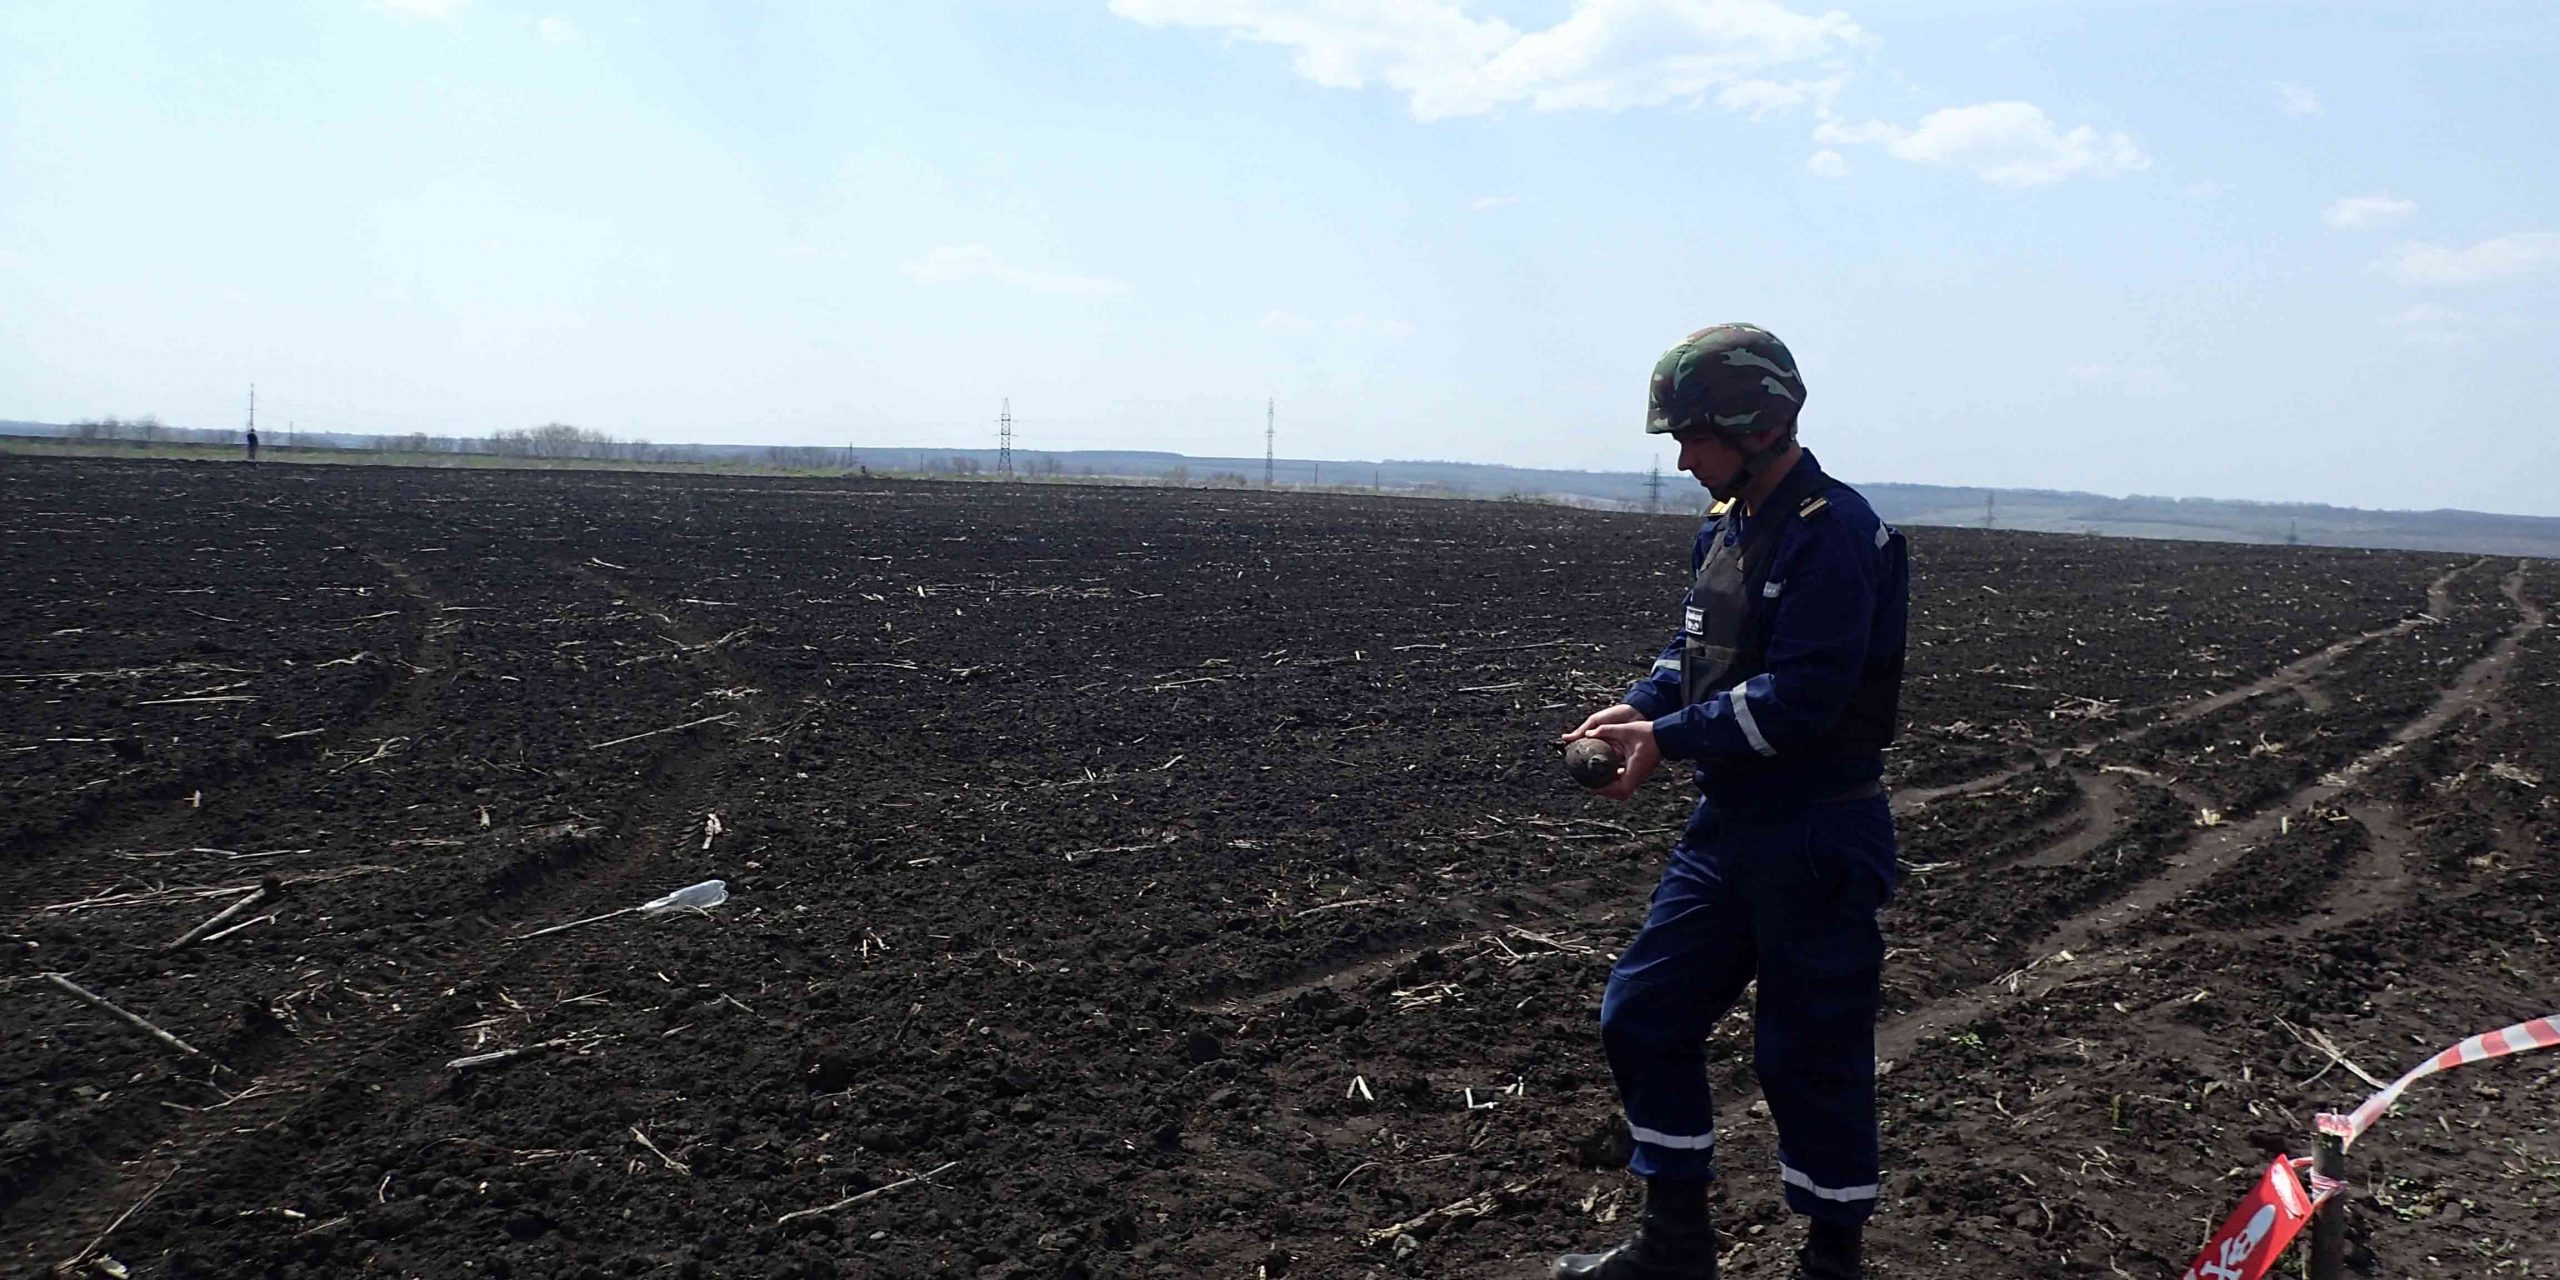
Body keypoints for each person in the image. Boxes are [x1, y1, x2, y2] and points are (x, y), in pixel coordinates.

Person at [1555, 324, 1908, 1280]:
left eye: (1696, 435)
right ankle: (1674, 1247)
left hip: (1818, 832)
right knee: (1642, 1013)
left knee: (1807, 1058)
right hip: (1728, 832)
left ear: (1760, 422)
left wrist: (1663, 742)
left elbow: (1801, 700)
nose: (1682, 457)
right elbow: (1697, 653)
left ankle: (1830, 1265)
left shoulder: (1833, 534)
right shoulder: (1727, 527)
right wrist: (1644, 706)